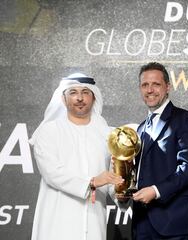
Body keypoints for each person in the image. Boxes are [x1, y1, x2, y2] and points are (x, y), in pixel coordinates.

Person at [29, 73, 123, 240]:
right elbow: (52, 173)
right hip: (57, 222)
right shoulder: (49, 131)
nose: (79, 98)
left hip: (95, 221)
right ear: (64, 99)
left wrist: (120, 194)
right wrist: (92, 182)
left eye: (85, 92)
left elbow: (111, 177)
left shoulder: (107, 135)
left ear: (94, 98)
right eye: (73, 92)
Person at [130, 62, 188, 239]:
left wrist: (156, 190)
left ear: (168, 87)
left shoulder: (184, 119)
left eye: (156, 84)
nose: (150, 90)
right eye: (145, 85)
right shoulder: (141, 128)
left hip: (173, 221)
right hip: (142, 222)